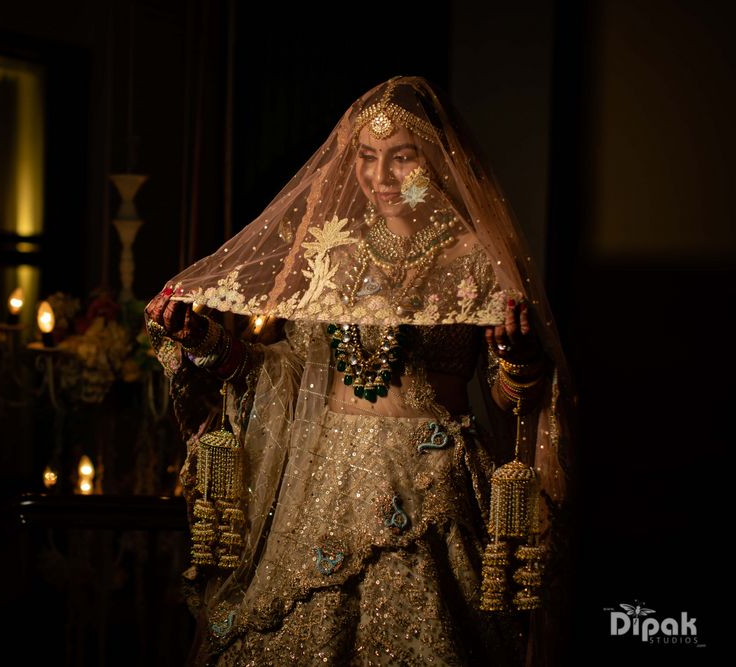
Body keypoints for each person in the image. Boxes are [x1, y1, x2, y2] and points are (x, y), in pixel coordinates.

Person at [145, 76, 574, 666]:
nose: (381, 177)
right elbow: (288, 375)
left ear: (439, 162)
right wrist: (208, 344)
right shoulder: (332, 251)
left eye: (403, 157)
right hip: (323, 483)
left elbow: (511, 399)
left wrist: (518, 364)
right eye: (368, 159)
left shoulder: (475, 257)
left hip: (433, 481)